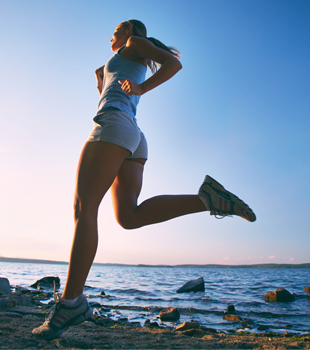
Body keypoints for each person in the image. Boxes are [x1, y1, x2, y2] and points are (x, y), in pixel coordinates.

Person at [32, 19, 256, 340]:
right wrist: (103, 78)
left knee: (85, 211)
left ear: (130, 31)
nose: (111, 33)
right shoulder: (124, 55)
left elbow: (173, 64)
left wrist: (140, 87)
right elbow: (111, 76)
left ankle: (70, 303)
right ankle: (208, 199)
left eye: (117, 28)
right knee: (128, 217)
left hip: (113, 124)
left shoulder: (133, 44)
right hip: (132, 134)